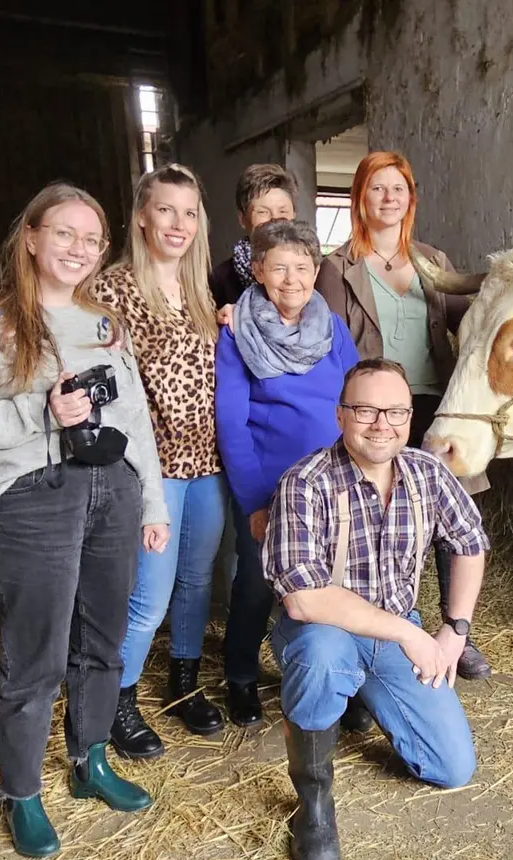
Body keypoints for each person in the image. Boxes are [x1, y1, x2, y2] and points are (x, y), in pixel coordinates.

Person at [0, 182, 168, 858]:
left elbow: (135, 421)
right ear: (31, 237)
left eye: (92, 240)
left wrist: (149, 501)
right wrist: (39, 414)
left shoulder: (105, 323)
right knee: (35, 650)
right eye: (64, 233)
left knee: (103, 636)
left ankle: (91, 760)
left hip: (113, 490)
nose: (79, 249)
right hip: (36, 492)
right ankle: (24, 792)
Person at [263, 358, 489, 860]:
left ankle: (363, 692)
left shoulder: (427, 471)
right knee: (322, 653)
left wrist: (455, 630)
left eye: (395, 411)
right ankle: (313, 806)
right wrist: (409, 635)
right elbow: (304, 599)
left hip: (394, 627)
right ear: (341, 415)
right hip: (323, 630)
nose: (381, 423)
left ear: (410, 417)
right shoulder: (304, 483)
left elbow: (471, 543)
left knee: (451, 768)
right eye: (365, 410)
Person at [314, 149, 493, 683]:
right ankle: (374, 627)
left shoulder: (432, 260)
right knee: (380, 511)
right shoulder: (336, 266)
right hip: (374, 411)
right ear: (359, 198)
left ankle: (456, 634)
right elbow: (328, 346)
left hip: (436, 403)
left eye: (398, 189)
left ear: (410, 198)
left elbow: (470, 315)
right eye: (376, 188)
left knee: (449, 514)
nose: (388, 198)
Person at [91, 163, 228, 759]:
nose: (178, 223)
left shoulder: (203, 294)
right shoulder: (113, 290)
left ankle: (183, 683)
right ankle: (117, 702)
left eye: (190, 212)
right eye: (166, 209)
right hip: (154, 468)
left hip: (209, 464)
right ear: (142, 215)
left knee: (197, 582)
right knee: (150, 591)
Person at [215, 218, 359, 728]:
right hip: (270, 484)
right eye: (279, 267)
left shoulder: (333, 327)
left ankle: (346, 679)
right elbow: (231, 423)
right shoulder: (237, 332)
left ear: (316, 270)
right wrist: (255, 500)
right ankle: (240, 677)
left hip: (331, 481)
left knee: (339, 577)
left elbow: (355, 394)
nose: (292, 278)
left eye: (302, 266)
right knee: (257, 581)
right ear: (257, 270)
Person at [208, 163, 298, 307]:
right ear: (242, 219)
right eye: (263, 212)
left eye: (282, 212)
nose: (274, 220)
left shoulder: (308, 273)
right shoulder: (221, 280)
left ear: (294, 215)